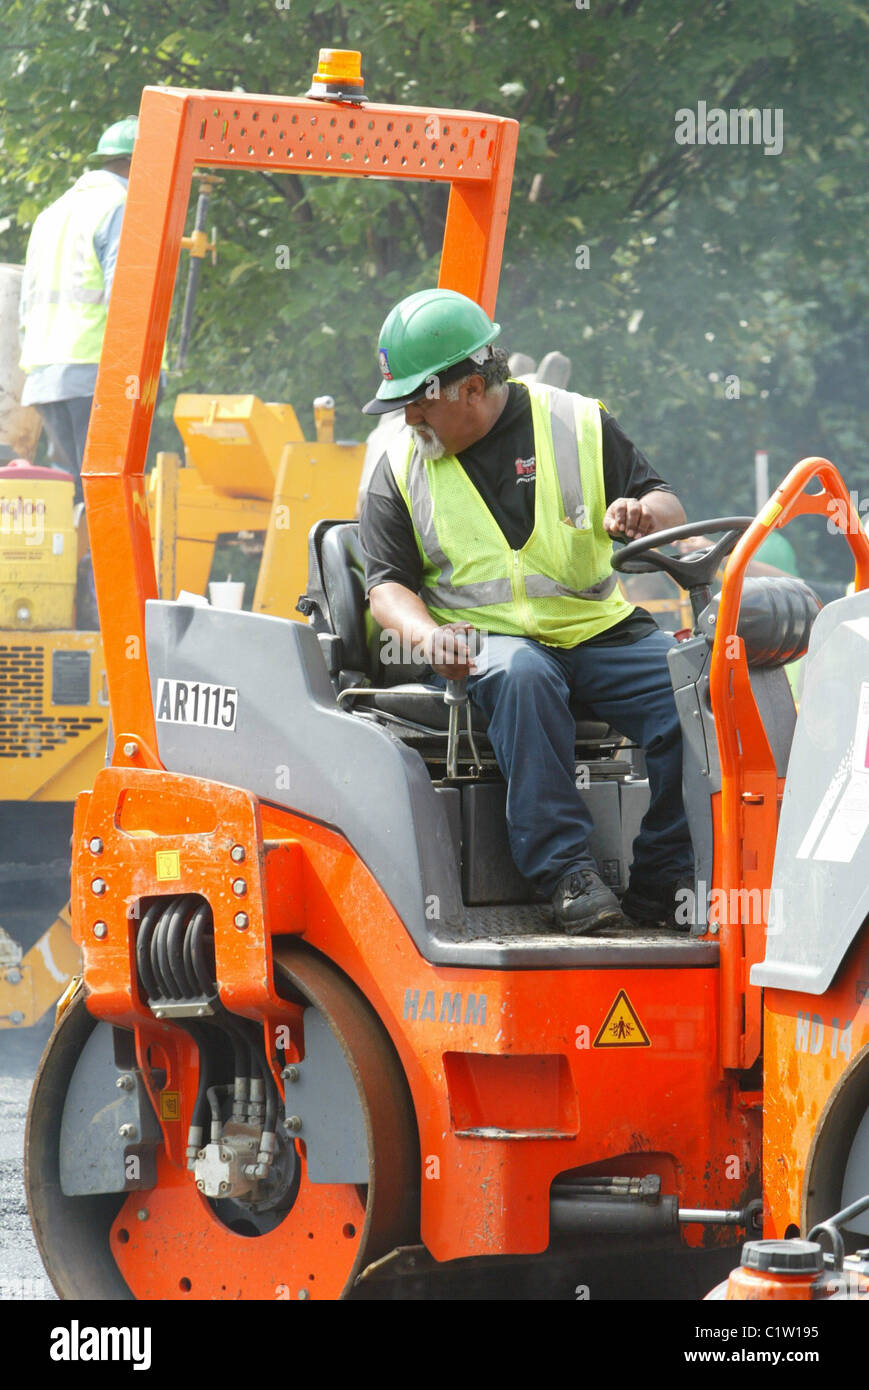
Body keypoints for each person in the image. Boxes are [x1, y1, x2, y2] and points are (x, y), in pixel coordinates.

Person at [358, 288, 694, 933]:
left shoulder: (577, 423)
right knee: (523, 675)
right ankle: (566, 872)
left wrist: (643, 514)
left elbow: (669, 507)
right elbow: (386, 588)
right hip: (486, 644)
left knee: (695, 688)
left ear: (470, 388)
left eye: (416, 402)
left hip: (597, 631)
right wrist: (427, 637)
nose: (407, 421)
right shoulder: (399, 467)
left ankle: (664, 876)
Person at [18, 117, 138, 501]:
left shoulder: (53, 212)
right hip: (99, 372)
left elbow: (28, 298)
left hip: (47, 375)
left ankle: (74, 563)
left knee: (77, 491)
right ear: (141, 163)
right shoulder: (122, 206)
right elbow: (126, 294)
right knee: (113, 491)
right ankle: (101, 565)